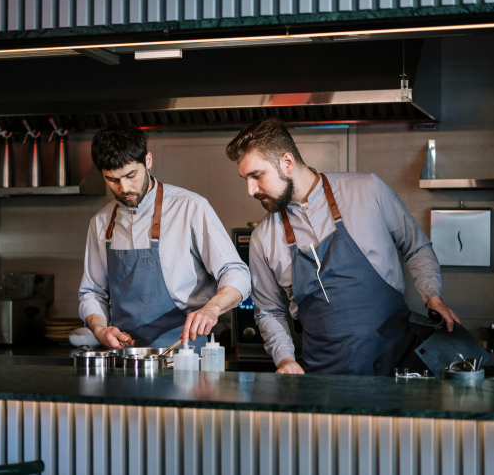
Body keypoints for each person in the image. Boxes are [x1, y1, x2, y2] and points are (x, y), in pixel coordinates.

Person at [225, 118, 460, 375]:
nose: (250, 189)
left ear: (287, 162)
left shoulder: (368, 189)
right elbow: (269, 312)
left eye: (256, 176)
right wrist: (285, 360)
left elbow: (417, 247)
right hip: (325, 379)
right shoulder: (262, 237)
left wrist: (433, 297)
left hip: (400, 369)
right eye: (244, 179)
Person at [79, 125, 250, 350]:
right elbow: (92, 292)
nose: (124, 188)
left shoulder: (190, 207)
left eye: (131, 175)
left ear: (148, 161)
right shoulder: (100, 223)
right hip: (127, 357)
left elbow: (236, 272)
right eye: (112, 179)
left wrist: (212, 308)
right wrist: (100, 329)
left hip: (186, 353)